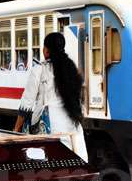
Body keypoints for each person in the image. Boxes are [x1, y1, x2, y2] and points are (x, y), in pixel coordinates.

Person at [13, 32, 89, 162]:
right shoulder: (71, 68)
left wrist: (16, 129)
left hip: (50, 127)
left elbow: (27, 103)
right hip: (72, 127)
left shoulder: (39, 69)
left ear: (46, 50)